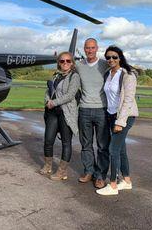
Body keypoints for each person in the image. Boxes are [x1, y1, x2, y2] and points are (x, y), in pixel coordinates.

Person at [96, 46, 138, 196]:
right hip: (110, 114)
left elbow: (128, 100)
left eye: (114, 57)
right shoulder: (108, 73)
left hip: (124, 117)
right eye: (108, 57)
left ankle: (113, 185)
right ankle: (126, 181)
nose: (111, 60)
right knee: (120, 150)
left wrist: (120, 122)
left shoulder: (128, 75)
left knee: (113, 149)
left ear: (120, 57)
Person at [40, 52, 80, 180]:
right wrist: (47, 101)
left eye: (68, 61)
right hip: (53, 112)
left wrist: (54, 102)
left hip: (66, 112)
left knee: (66, 143)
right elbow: (49, 91)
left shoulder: (74, 76)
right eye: (62, 61)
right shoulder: (56, 76)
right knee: (48, 140)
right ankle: (48, 166)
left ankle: (62, 171)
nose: (65, 63)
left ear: (72, 63)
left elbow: (70, 95)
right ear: (59, 63)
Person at [76, 38, 109, 188]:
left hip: (101, 110)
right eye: (87, 48)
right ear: (84, 49)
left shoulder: (104, 64)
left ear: (97, 48)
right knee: (86, 144)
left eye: (92, 48)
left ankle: (100, 176)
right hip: (84, 109)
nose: (90, 50)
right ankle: (89, 171)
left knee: (102, 146)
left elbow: (120, 71)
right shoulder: (79, 65)